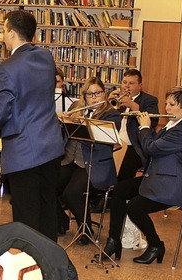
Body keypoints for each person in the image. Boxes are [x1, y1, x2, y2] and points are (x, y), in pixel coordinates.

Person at [0, 10, 65, 241]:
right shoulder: (46, 57)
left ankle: (30, 264)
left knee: (26, 215)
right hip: (50, 144)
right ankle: (50, 264)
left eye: (3, 30)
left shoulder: (6, 67)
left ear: (11, 32)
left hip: (23, 150)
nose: (2, 35)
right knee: (47, 207)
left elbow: (3, 110)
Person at [100, 86, 182, 264]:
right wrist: (144, 128)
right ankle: (113, 241)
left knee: (135, 207)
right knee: (119, 190)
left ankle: (156, 245)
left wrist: (145, 126)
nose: (167, 108)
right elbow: (150, 147)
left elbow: (151, 148)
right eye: (166, 103)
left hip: (174, 185)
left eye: (172, 104)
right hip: (159, 177)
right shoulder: (173, 124)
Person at [57, 77, 121, 244]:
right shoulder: (75, 108)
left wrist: (81, 123)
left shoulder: (112, 114)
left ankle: (85, 228)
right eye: (90, 94)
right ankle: (61, 220)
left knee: (71, 193)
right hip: (70, 159)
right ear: (83, 96)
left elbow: (105, 139)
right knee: (46, 185)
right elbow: (63, 135)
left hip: (94, 163)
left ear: (104, 94)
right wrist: (61, 122)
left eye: (98, 93)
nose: (94, 98)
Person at [110, 69, 159, 182]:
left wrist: (133, 106)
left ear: (140, 86)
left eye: (131, 83)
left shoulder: (150, 100)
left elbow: (154, 121)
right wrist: (108, 104)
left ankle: (117, 192)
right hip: (114, 143)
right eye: (124, 82)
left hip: (134, 146)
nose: (127, 86)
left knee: (122, 171)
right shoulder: (116, 98)